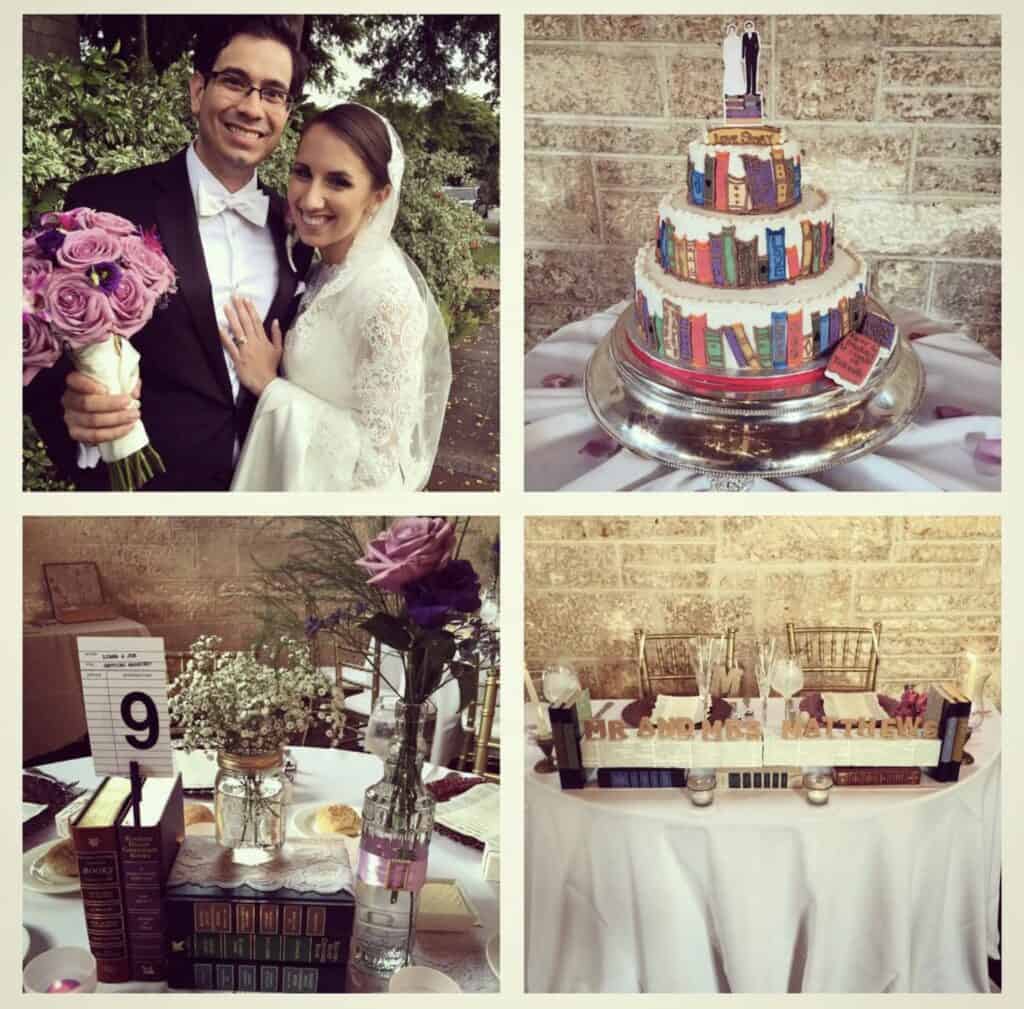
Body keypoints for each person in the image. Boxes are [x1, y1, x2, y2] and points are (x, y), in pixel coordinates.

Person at [24, 16, 312, 490]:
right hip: (142, 495)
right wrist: (73, 415)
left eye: (273, 92)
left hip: (263, 491)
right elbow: (38, 344)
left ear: (285, 113)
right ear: (198, 90)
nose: (252, 107)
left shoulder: (297, 228)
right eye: (235, 82)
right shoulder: (107, 205)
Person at [221, 104, 451, 491]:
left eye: (338, 182)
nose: (310, 200)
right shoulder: (321, 267)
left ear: (378, 196)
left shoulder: (387, 299)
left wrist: (271, 387)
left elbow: (377, 468)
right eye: (303, 173)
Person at [722, 23, 745, 98]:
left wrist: (740, 58)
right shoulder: (726, 40)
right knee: (729, 76)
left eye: (733, 30)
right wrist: (726, 60)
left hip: (736, 61)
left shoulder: (738, 40)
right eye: (730, 31)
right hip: (729, 61)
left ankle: (739, 92)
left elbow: (740, 50)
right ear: (728, 31)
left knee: (737, 76)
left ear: (735, 31)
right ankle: (728, 92)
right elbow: (725, 51)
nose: (732, 32)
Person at [742, 20, 761, 97]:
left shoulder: (755, 35)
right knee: (748, 73)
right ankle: (748, 90)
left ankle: (754, 91)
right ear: (746, 28)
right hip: (747, 56)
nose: (749, 28)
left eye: (750, 27)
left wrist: (756, 53)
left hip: (754, 56)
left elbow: (758, 46)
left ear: (752, 28)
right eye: (747, 27)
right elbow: (743, 47)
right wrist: (742, 57)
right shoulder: (744, 36)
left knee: (754, 73)